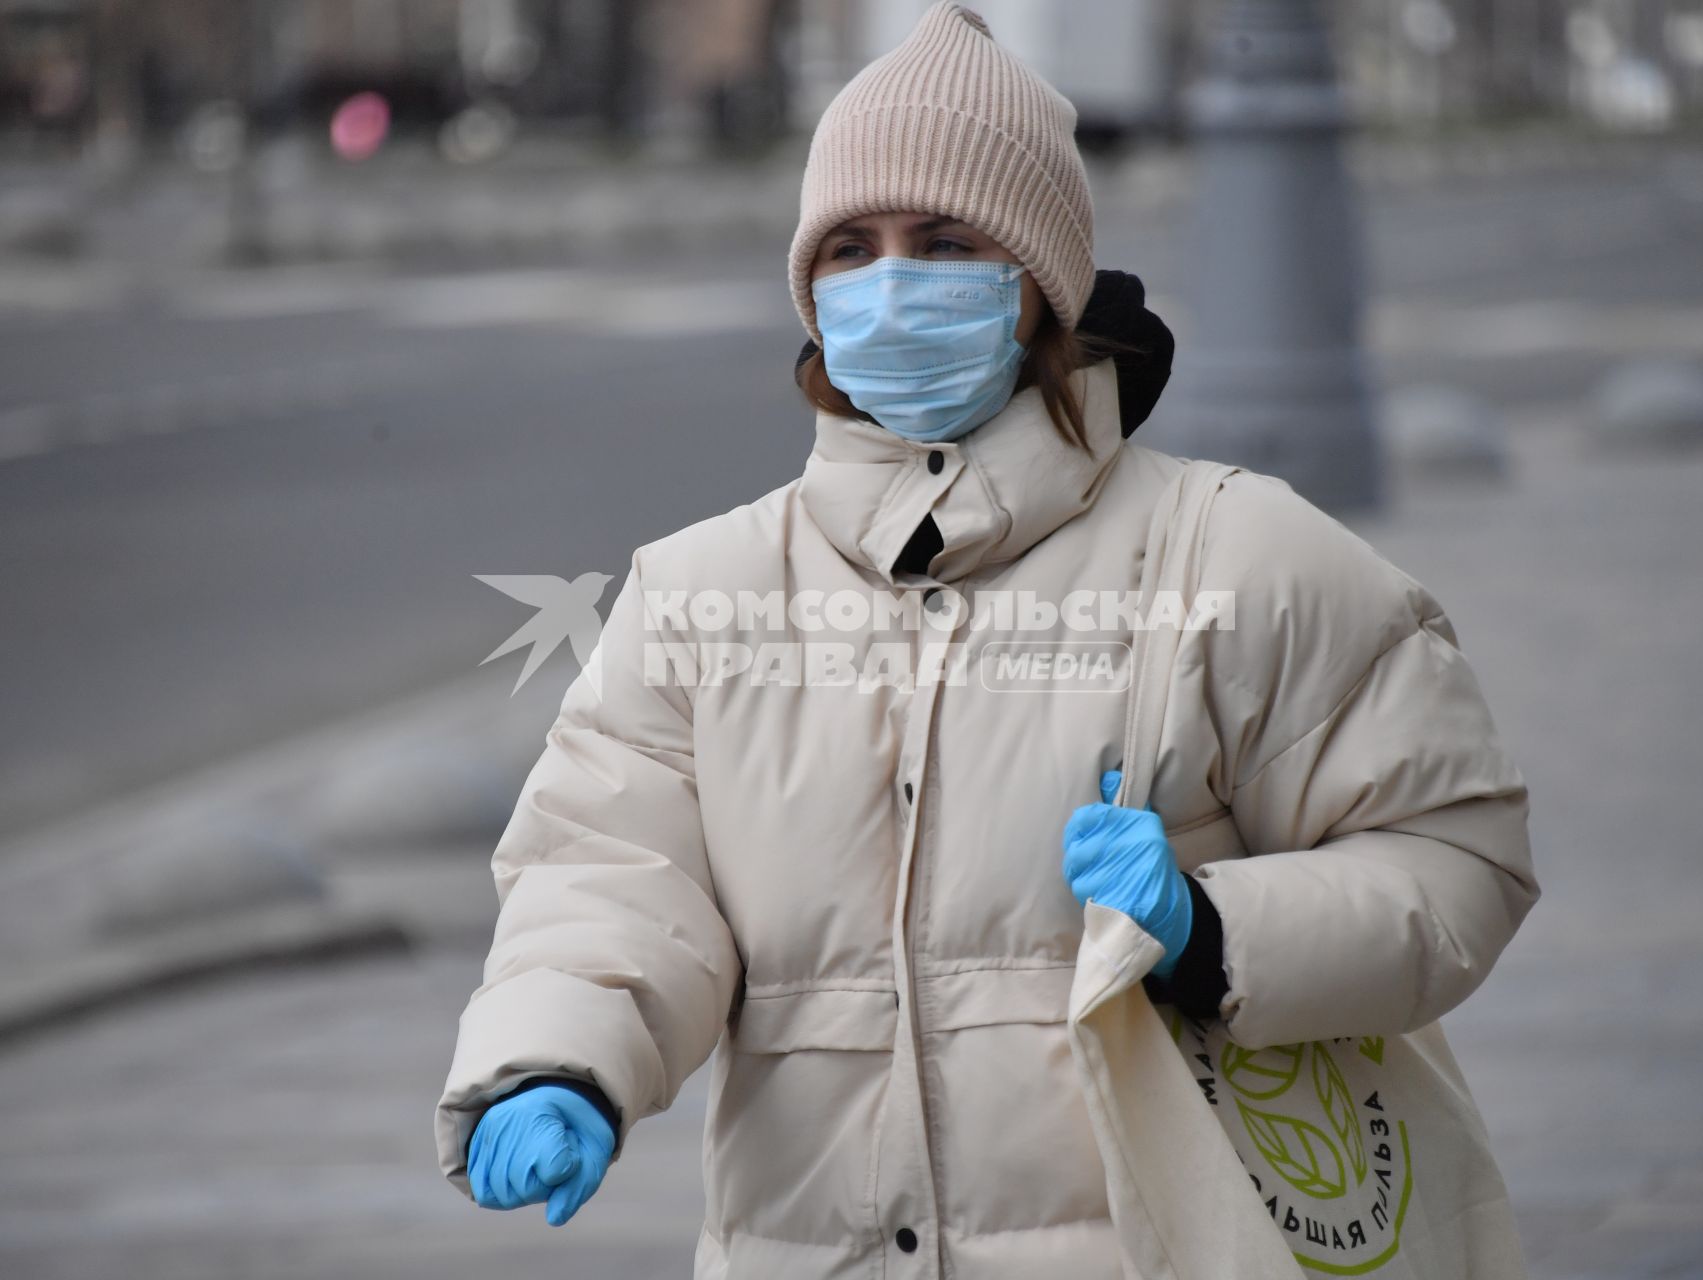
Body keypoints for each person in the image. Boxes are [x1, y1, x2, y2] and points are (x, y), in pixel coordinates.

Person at [435, 5, 1539, 1276]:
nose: (892, 280)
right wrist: (558, 1058)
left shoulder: (1237, 557)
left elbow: (1456, 856)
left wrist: (1213, 928)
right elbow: (609, 873)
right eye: (850, 247)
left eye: (944, 240)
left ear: (1038, 280)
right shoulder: (699, 590)